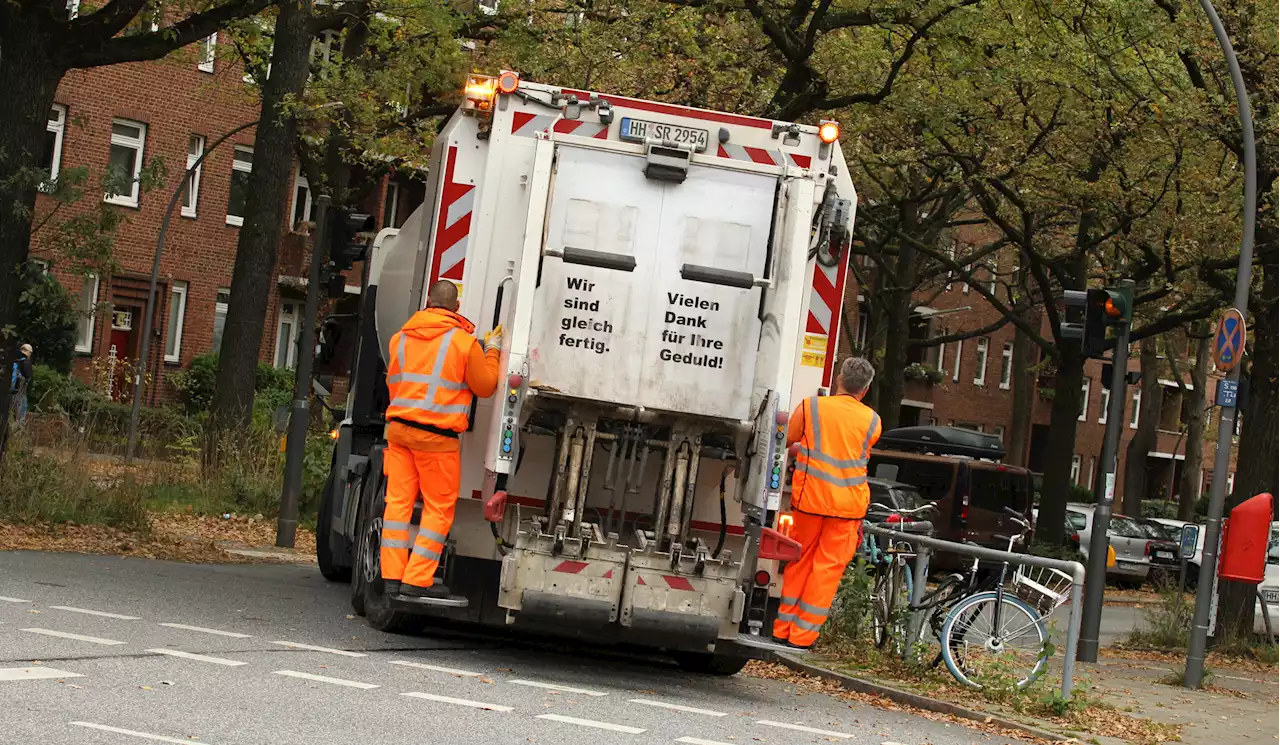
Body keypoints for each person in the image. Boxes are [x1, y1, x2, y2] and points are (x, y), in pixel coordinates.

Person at [381, 281, 502, 599]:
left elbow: (394, 382)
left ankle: (391, 577)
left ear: (427, 302)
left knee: (397, 506)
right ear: (456, 308)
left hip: (399, 432)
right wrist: (492, 350)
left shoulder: (400, 339)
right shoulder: (463, 343)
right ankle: (416, 581)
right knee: (437, 509)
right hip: (437, 439)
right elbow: (486, 386)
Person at [773, 356, 881, 649]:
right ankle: (803, 637)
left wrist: (805, 449)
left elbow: (787, 439)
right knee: (827, 570)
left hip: (810, 500)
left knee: (799, 562)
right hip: (848, 506)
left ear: (838, 381)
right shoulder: (873, 420)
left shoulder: (811, 408)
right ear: (865, 390)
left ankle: (782, 629)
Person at [9, 343, 33, 427]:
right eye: (30, 352)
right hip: (20, 391)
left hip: (10, 391)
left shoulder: (13, 359)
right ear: (27, 352)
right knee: (20, 416)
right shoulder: (25, 362)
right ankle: (17, 433)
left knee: (10, 413)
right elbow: (29, 378)